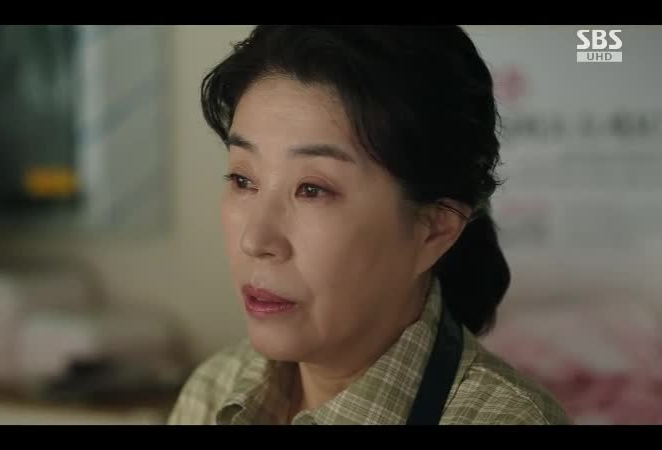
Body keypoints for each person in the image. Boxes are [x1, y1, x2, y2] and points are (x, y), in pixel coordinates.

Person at [167, 25, 569, 425]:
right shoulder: (214, 390)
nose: (255, 240)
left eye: (312, 190)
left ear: (434, 229)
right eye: (243, 180)